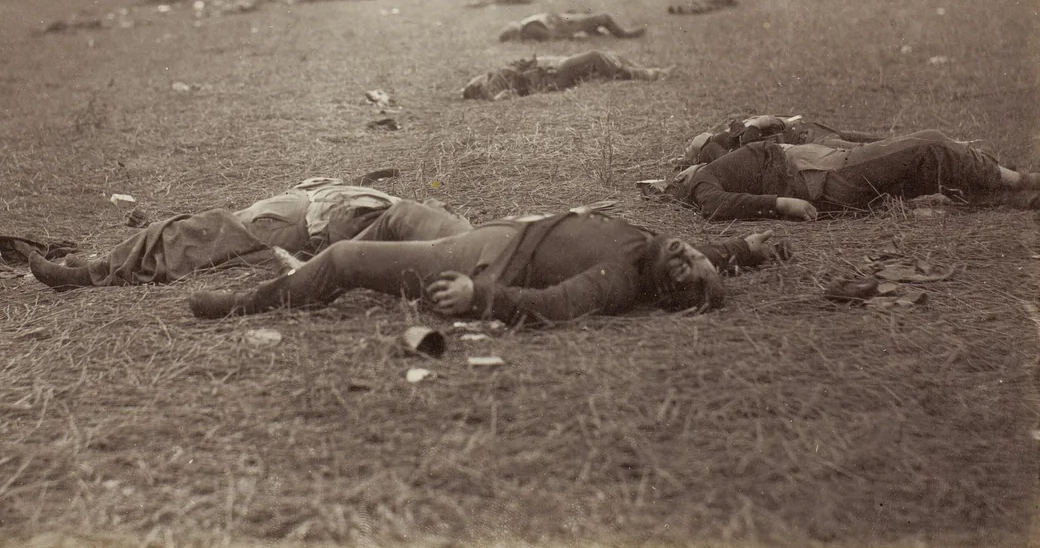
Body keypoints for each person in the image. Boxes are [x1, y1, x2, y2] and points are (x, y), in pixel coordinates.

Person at [188, 201, 787, 324]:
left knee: (345, 258)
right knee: (404, 213)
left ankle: (246, 303)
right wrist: (748, 251)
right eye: (697, 258)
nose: (686, 256)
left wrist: (481, 301)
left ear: (665, 290)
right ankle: (309, 272)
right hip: (493, 234)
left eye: (686, 272)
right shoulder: (657, 248)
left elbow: (555, 306)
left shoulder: (621, 279)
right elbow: (703, 255)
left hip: (484, 264)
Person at [28, 176, 472, 289]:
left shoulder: (426, 237)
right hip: (301, 207)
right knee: (191, 227)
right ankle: (97, 263)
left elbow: (351, 255)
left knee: (186, 235)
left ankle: (88, 275)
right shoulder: (434, 222)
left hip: (289, 227)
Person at [665, 130, 1040, 221]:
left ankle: (1011, 196)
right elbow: (716, 205)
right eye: (686, 162)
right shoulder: (701, 181)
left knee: (928, 162)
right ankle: (1021, 181)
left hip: (827, 166)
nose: (686, 165)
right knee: (932, 144)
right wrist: (782, 204)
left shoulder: (719, 164)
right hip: (826, 176)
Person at [678, 115, 886, 168]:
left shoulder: (723, 138)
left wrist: (767, 121)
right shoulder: (714, 152)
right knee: (872, 150)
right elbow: (749, 153)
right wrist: (756, 124)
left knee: (879, 143)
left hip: (807, 131)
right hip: (812, 143)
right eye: (688, 148)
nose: (688, 144)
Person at [462, 51, 670, 101]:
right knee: (595, 56)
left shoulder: (495, 76)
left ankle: (646, 70)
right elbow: (501, 97)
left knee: (608, 55)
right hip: (552, 79)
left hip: (553, 69)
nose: (477, 78)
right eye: (474, 82)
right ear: (477, 87)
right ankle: (647, 74)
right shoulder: (493, 84)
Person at [498, 12, 647, 43]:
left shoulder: (527, 24)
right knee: (604, 18)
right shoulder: (528, 27)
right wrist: (572, 37)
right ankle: (625, 35)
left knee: (595, 20)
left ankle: (603, 34)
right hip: (568, 26)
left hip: (567, 22)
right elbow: (550, 36)